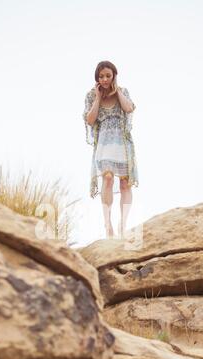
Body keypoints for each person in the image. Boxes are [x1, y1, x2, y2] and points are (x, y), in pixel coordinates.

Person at [83, 60, 139, 239]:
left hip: (122, 143)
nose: (105, 79)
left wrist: (118, 91)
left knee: (124, 184)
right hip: (104, 144)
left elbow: (129, 108)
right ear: (97, 78)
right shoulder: (91, 96)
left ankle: (123, 223)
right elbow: (90, 120)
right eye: (101, 76)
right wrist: (99, 98)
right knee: (107, 178)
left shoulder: (123, 92)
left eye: (108, 75)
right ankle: (107, 223)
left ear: (114, 75)